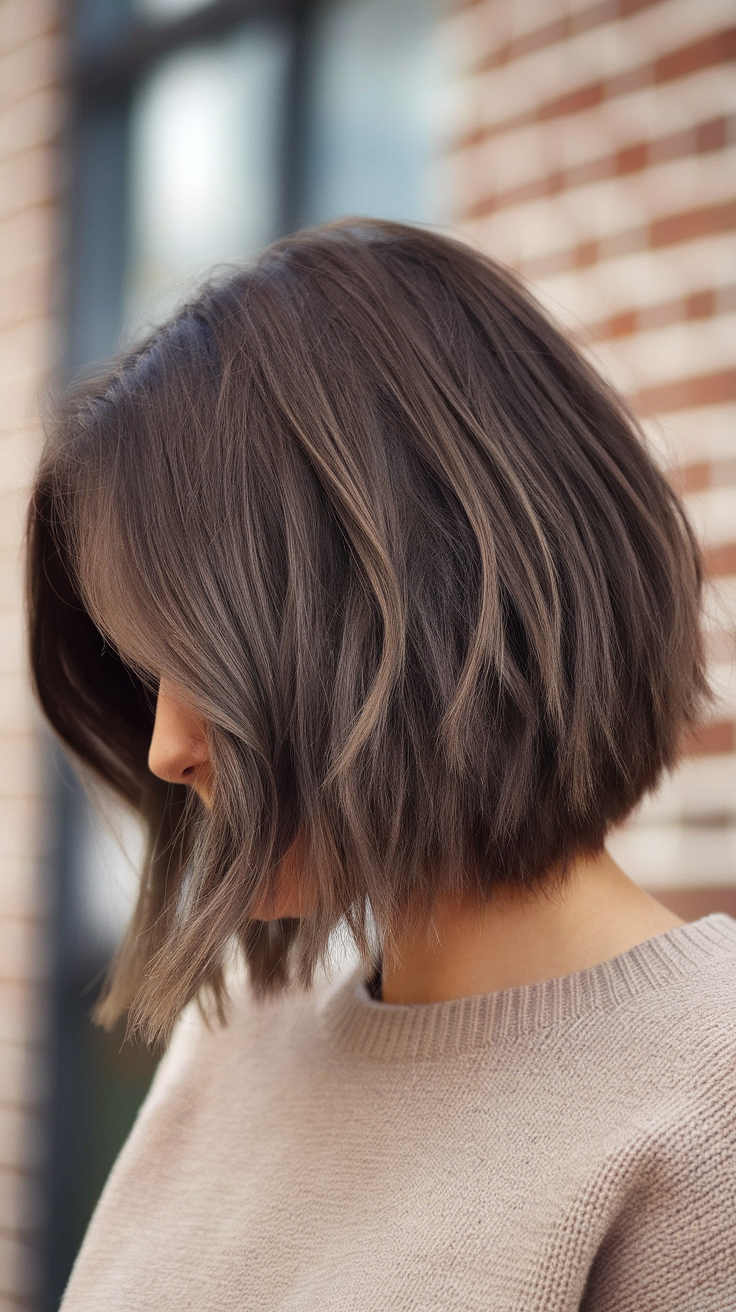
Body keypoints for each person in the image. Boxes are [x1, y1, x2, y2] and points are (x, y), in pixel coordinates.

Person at [27, 219, 736, 1311]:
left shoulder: (706, 1101)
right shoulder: (239, 1039)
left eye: (202, 654)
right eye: (146, 667)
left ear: (413, 608)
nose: (167, 746)